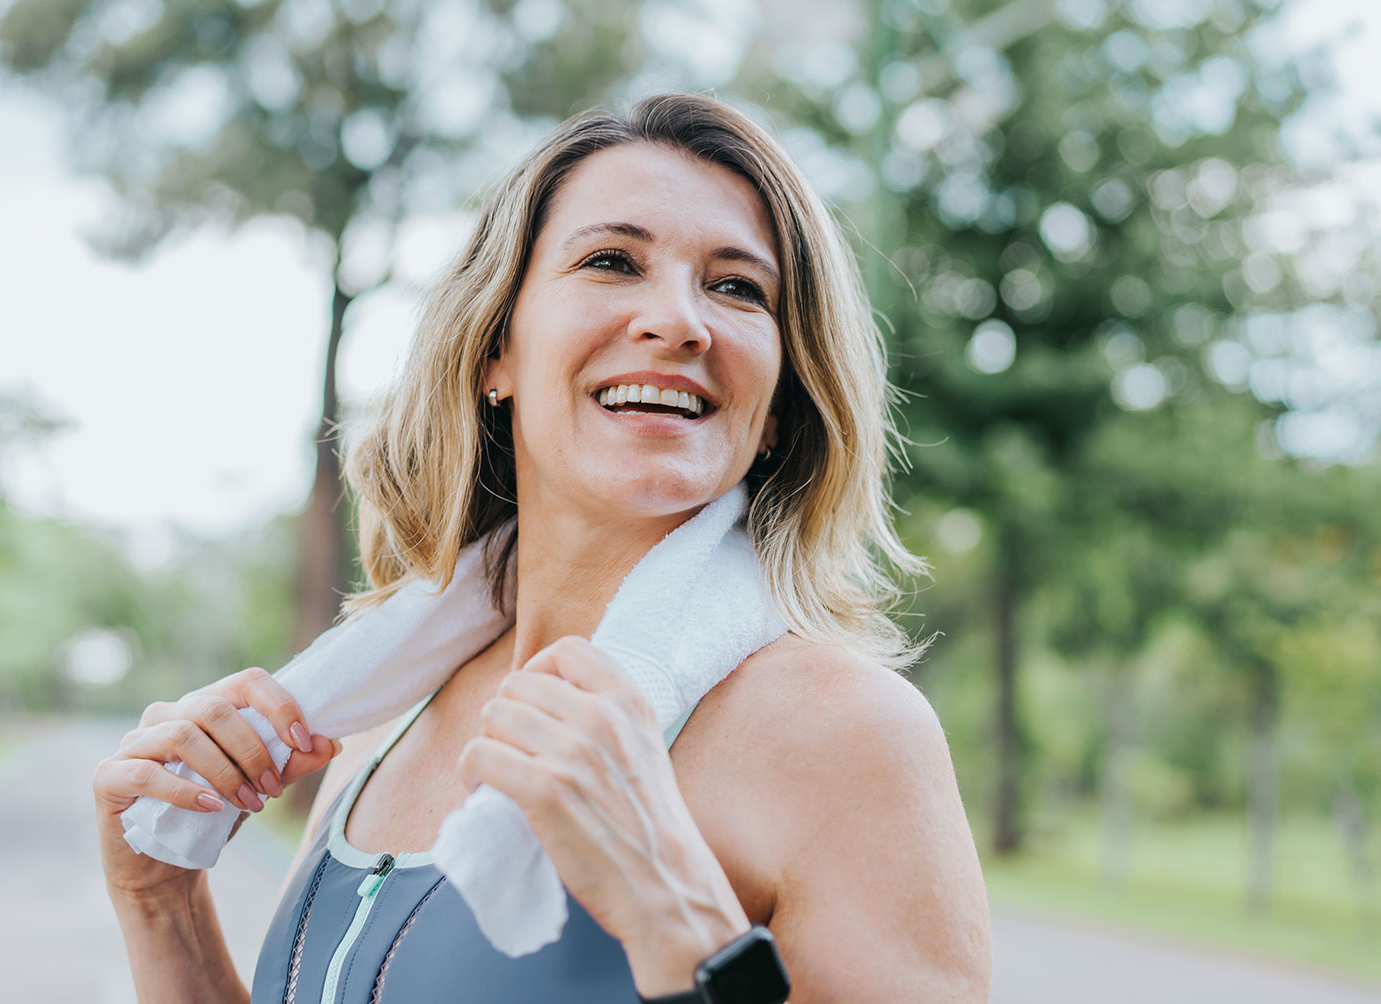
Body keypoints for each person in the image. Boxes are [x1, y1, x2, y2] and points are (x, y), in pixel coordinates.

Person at [93, 92, 992, 1002]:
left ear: (776, 407)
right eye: (612, 261)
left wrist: (674, 914)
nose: (680, 321)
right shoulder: (379, 713)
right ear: (497, 351)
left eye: (736, 286)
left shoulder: (849, 734)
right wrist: (159, 900)